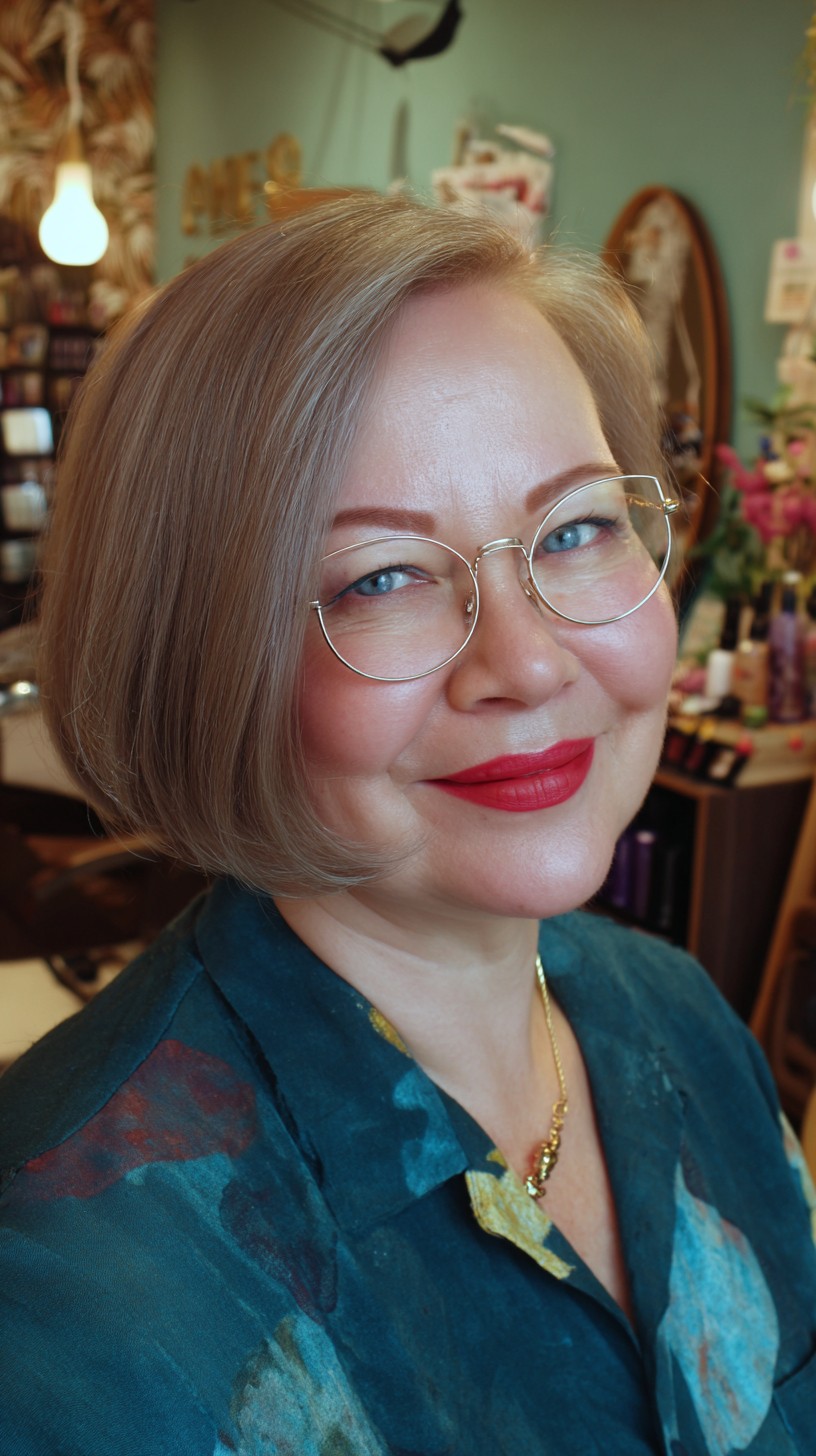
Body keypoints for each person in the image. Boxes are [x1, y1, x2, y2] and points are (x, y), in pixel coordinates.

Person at [0, 193, 814, 1455]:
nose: (528, 662)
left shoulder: (684, 1022)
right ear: (200, 661)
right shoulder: (67, 1302)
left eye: (578, 527)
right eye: (381, 577)